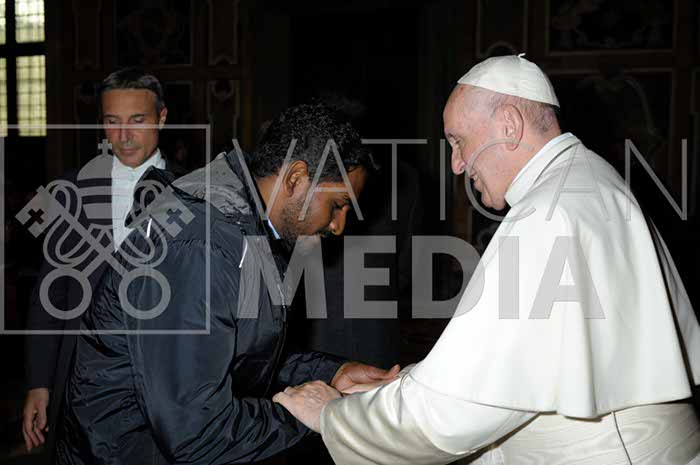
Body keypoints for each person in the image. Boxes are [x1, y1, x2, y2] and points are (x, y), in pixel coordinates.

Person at [273, 55, 700, 464]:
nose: (457, 165)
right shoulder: (589, 179)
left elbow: (456, 412)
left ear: (509, 125)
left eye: (459, 141)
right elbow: (521, 364)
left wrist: (334, 416)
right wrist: (410, 384)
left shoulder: (546, 214)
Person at [54, 103, 399, 464]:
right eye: (338, 204)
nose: (338, 226)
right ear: (296, 177)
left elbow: (242, 354)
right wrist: (323, 415)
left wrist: (332, 375)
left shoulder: (249, 225)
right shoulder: (200, 246)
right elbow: (195, 433)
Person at [22, 67, 181, 458]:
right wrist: (39, 382)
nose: (123, 136)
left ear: (162, 118)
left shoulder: (192, 192)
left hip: (163, 382)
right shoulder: (68, 190)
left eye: (137, 121)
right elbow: (50, 293)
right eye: (112, 122)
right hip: (81, 377)